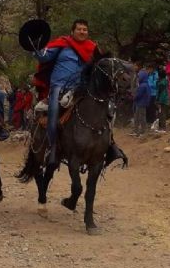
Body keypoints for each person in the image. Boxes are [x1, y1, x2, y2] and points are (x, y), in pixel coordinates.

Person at [32, 19, 126, 166]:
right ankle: (52, 148)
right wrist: (35, 47)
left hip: (83, 87)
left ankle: (110, 145)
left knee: (108, 109)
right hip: (60, 86)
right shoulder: (62, 45)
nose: (82, 32)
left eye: (85, 30)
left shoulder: (92, 48)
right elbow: (43, 57)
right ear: (72, 31)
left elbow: (101, 66)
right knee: (54, 110)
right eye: (79, 29)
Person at [132, 69, 150, 136]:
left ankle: (140, 131)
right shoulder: (146, 84)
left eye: (139, 77)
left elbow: (138, 95)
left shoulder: (142, 86)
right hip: (142, 103)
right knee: (141, 117)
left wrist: (133, 97)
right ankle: (139, 130)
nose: (138, 78)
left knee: (139, 117)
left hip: (140, 103)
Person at [156, 67, 169, 132]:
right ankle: (162, 127)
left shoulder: (160, 83)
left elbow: (158, 92)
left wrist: (157, 100)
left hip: (161, 100)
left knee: (161, 113)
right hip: (166, 99)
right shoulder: (166, 81)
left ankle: (162, 127)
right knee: (163, 112)